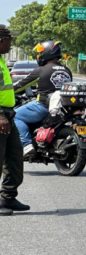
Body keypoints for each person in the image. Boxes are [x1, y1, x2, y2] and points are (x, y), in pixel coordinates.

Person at [12, 40, 73, 157]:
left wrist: (7, 91)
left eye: (40, 52)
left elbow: (20, 85)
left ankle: (26, 145)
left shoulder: (41, 70)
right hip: (63, 107)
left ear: (47, 52)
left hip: (43, 106)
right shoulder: (67, 70)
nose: (39, 55)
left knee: (15, 116)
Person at [0, 25, 28, 216]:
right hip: (1, 116)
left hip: (8, 115)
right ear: (1, 40)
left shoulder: (1, 61)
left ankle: (8, 197)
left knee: (15, 158)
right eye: (10, 40)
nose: (11, 44)